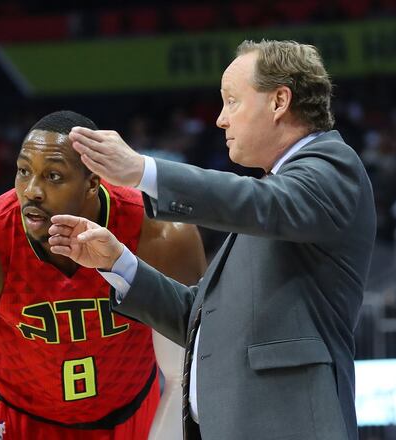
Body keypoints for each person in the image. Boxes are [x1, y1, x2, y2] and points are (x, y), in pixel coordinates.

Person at [50, 40, 376, 440]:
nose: (220, 120)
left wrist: (144, 171)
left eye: (232, 101)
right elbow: (199, 320)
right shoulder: (273, 198)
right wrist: (118, 263)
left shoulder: (331, 166)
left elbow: (260, 203)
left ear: (279, 101)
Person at [0, 110, 206, 439]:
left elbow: (184, 377)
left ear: (92, 182)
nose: (31, 190)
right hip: (16, 417)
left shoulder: (162, 236)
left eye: (53, 176)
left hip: (131, 414)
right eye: (23, 171)